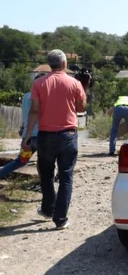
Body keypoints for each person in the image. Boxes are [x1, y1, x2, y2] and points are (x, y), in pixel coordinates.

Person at [23, 49, 86, 230]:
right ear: (64, 64)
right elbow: (81, 107)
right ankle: (60, 219)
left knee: (46, 175)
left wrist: (27, 137)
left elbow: (34, 110)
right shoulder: (74, 83)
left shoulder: (39, 83)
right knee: (66, 176)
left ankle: (48, 209)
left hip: (45, 136)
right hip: (68, 135)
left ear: (50, 64)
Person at [0, 74, 45, 180]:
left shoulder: (26, 96)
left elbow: (25, 115)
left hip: (28, 138)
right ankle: (43, 184)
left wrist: (22, 128)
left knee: (20, 161)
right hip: (41, 136)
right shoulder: (40, 99)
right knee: (44, 162)